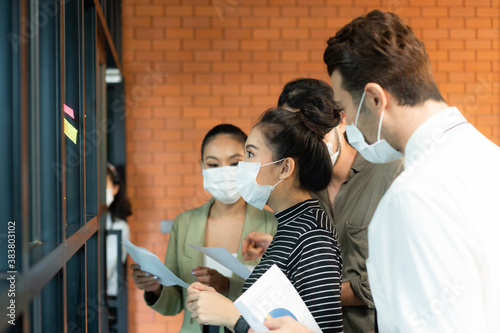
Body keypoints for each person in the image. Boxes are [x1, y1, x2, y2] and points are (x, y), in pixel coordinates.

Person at [323, 9, 500, 332]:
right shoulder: (490, 157)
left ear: (375, 99)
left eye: (345, 108)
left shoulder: (413, 195)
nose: (345, 124)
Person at [243, 78, 404, 333]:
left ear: (340, 120)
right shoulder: (302, 194)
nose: (303, 142)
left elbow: (406, 272)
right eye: (292, 134)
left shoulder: (391, 175)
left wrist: (320, 287)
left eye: (312, 130)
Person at [186, 97, 344, 333]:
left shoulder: (313, 236)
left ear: (284, 168)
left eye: (250, 155)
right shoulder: (291, 225)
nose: (242, 167)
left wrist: (233, 318)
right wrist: (217, 304)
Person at [130, 124, 278, 333]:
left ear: (249, 163)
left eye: (235, 163)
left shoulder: (272, 224)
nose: (224, 172)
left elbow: (280, 296)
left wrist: (229, 286)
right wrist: (155, 288)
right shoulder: (184, 223)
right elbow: (173, 304)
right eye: (213, 164)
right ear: (202, 166)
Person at [106, 163, 132, 331]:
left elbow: (109, 265)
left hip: (107, 299)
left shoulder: (120, 227)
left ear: (115, 189)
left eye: (104, 185)